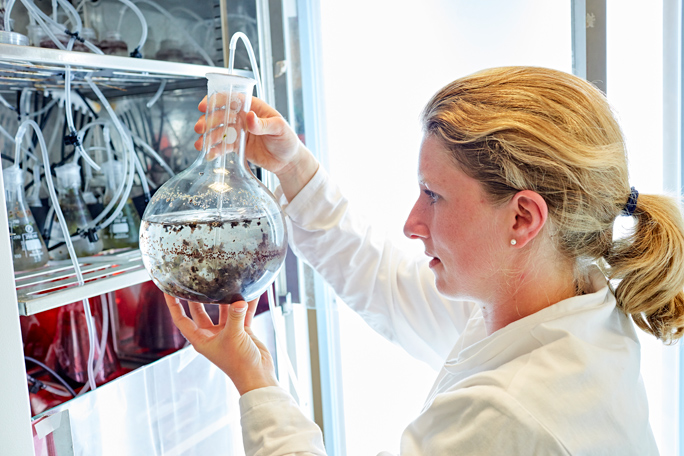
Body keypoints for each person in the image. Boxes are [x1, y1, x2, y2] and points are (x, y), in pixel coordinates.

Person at [163, 66, 684, 455]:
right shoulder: (567, 301)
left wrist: (256, 384)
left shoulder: (508, 412)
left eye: (433, 194)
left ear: (523, 218)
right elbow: (385, 285)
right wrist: (293, 168)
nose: (412, 223)